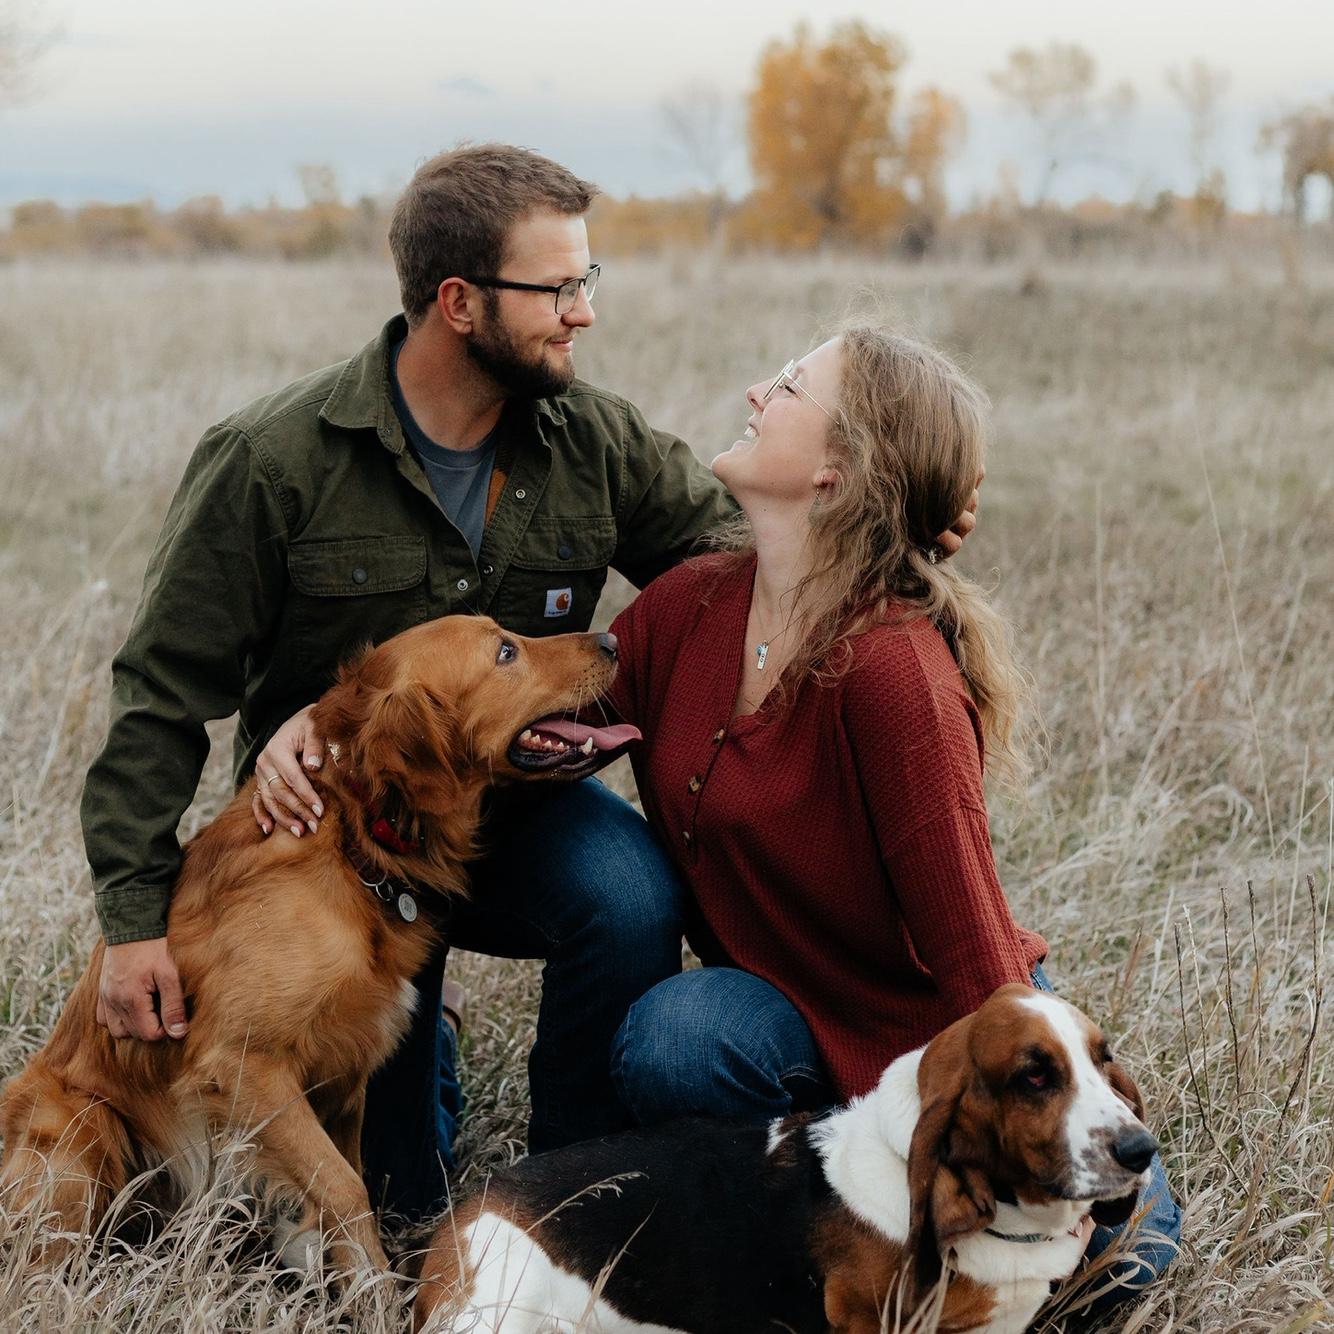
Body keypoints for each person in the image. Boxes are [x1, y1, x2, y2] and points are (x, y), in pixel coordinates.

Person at [80, 141, 981, 1220]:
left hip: (515, 814)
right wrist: (134, 919)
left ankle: (570, 1194)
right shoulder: (273, 459)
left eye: (583, 280)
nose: (582, 312)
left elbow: (753, 564)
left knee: (627, 891)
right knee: (400, 1199)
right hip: (340, 843)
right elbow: (159, 693)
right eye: (556, 289)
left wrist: (896, 515)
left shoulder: (592, 441)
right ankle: (422, 1057)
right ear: (459, 303)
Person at [598, 328, 1181, 1316]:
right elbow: (549, 713)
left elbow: (973, 954)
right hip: (785, 1017)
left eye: (789, 385)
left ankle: (967, 1217)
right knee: (675, 1040)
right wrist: (338, 728)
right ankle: (824, 1215)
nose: (757, 387)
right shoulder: (689, 605)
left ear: (836, 468)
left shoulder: (892, 670)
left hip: (935, 1032)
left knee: (1117, 1260)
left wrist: (1028, 1128)